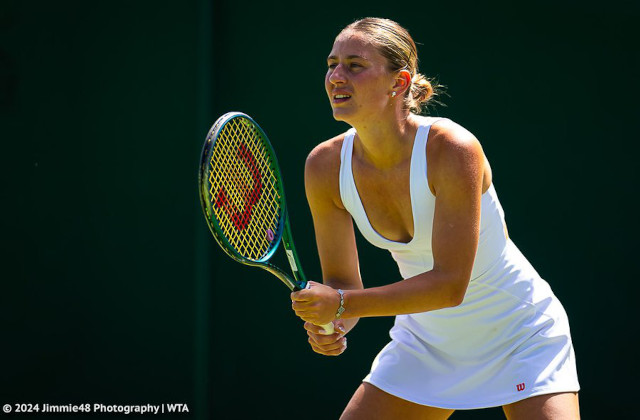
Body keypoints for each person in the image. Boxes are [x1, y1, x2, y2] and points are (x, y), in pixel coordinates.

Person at [290, 17, 580, 420]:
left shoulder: (451, 148)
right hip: (425, 343)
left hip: (519, 336)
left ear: (400, 82)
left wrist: (339, 304)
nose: (336, 76)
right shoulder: (323, 166)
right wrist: (337, 320)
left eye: (355, 65)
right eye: (331, 63)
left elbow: (449, 286)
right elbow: (343, 284)